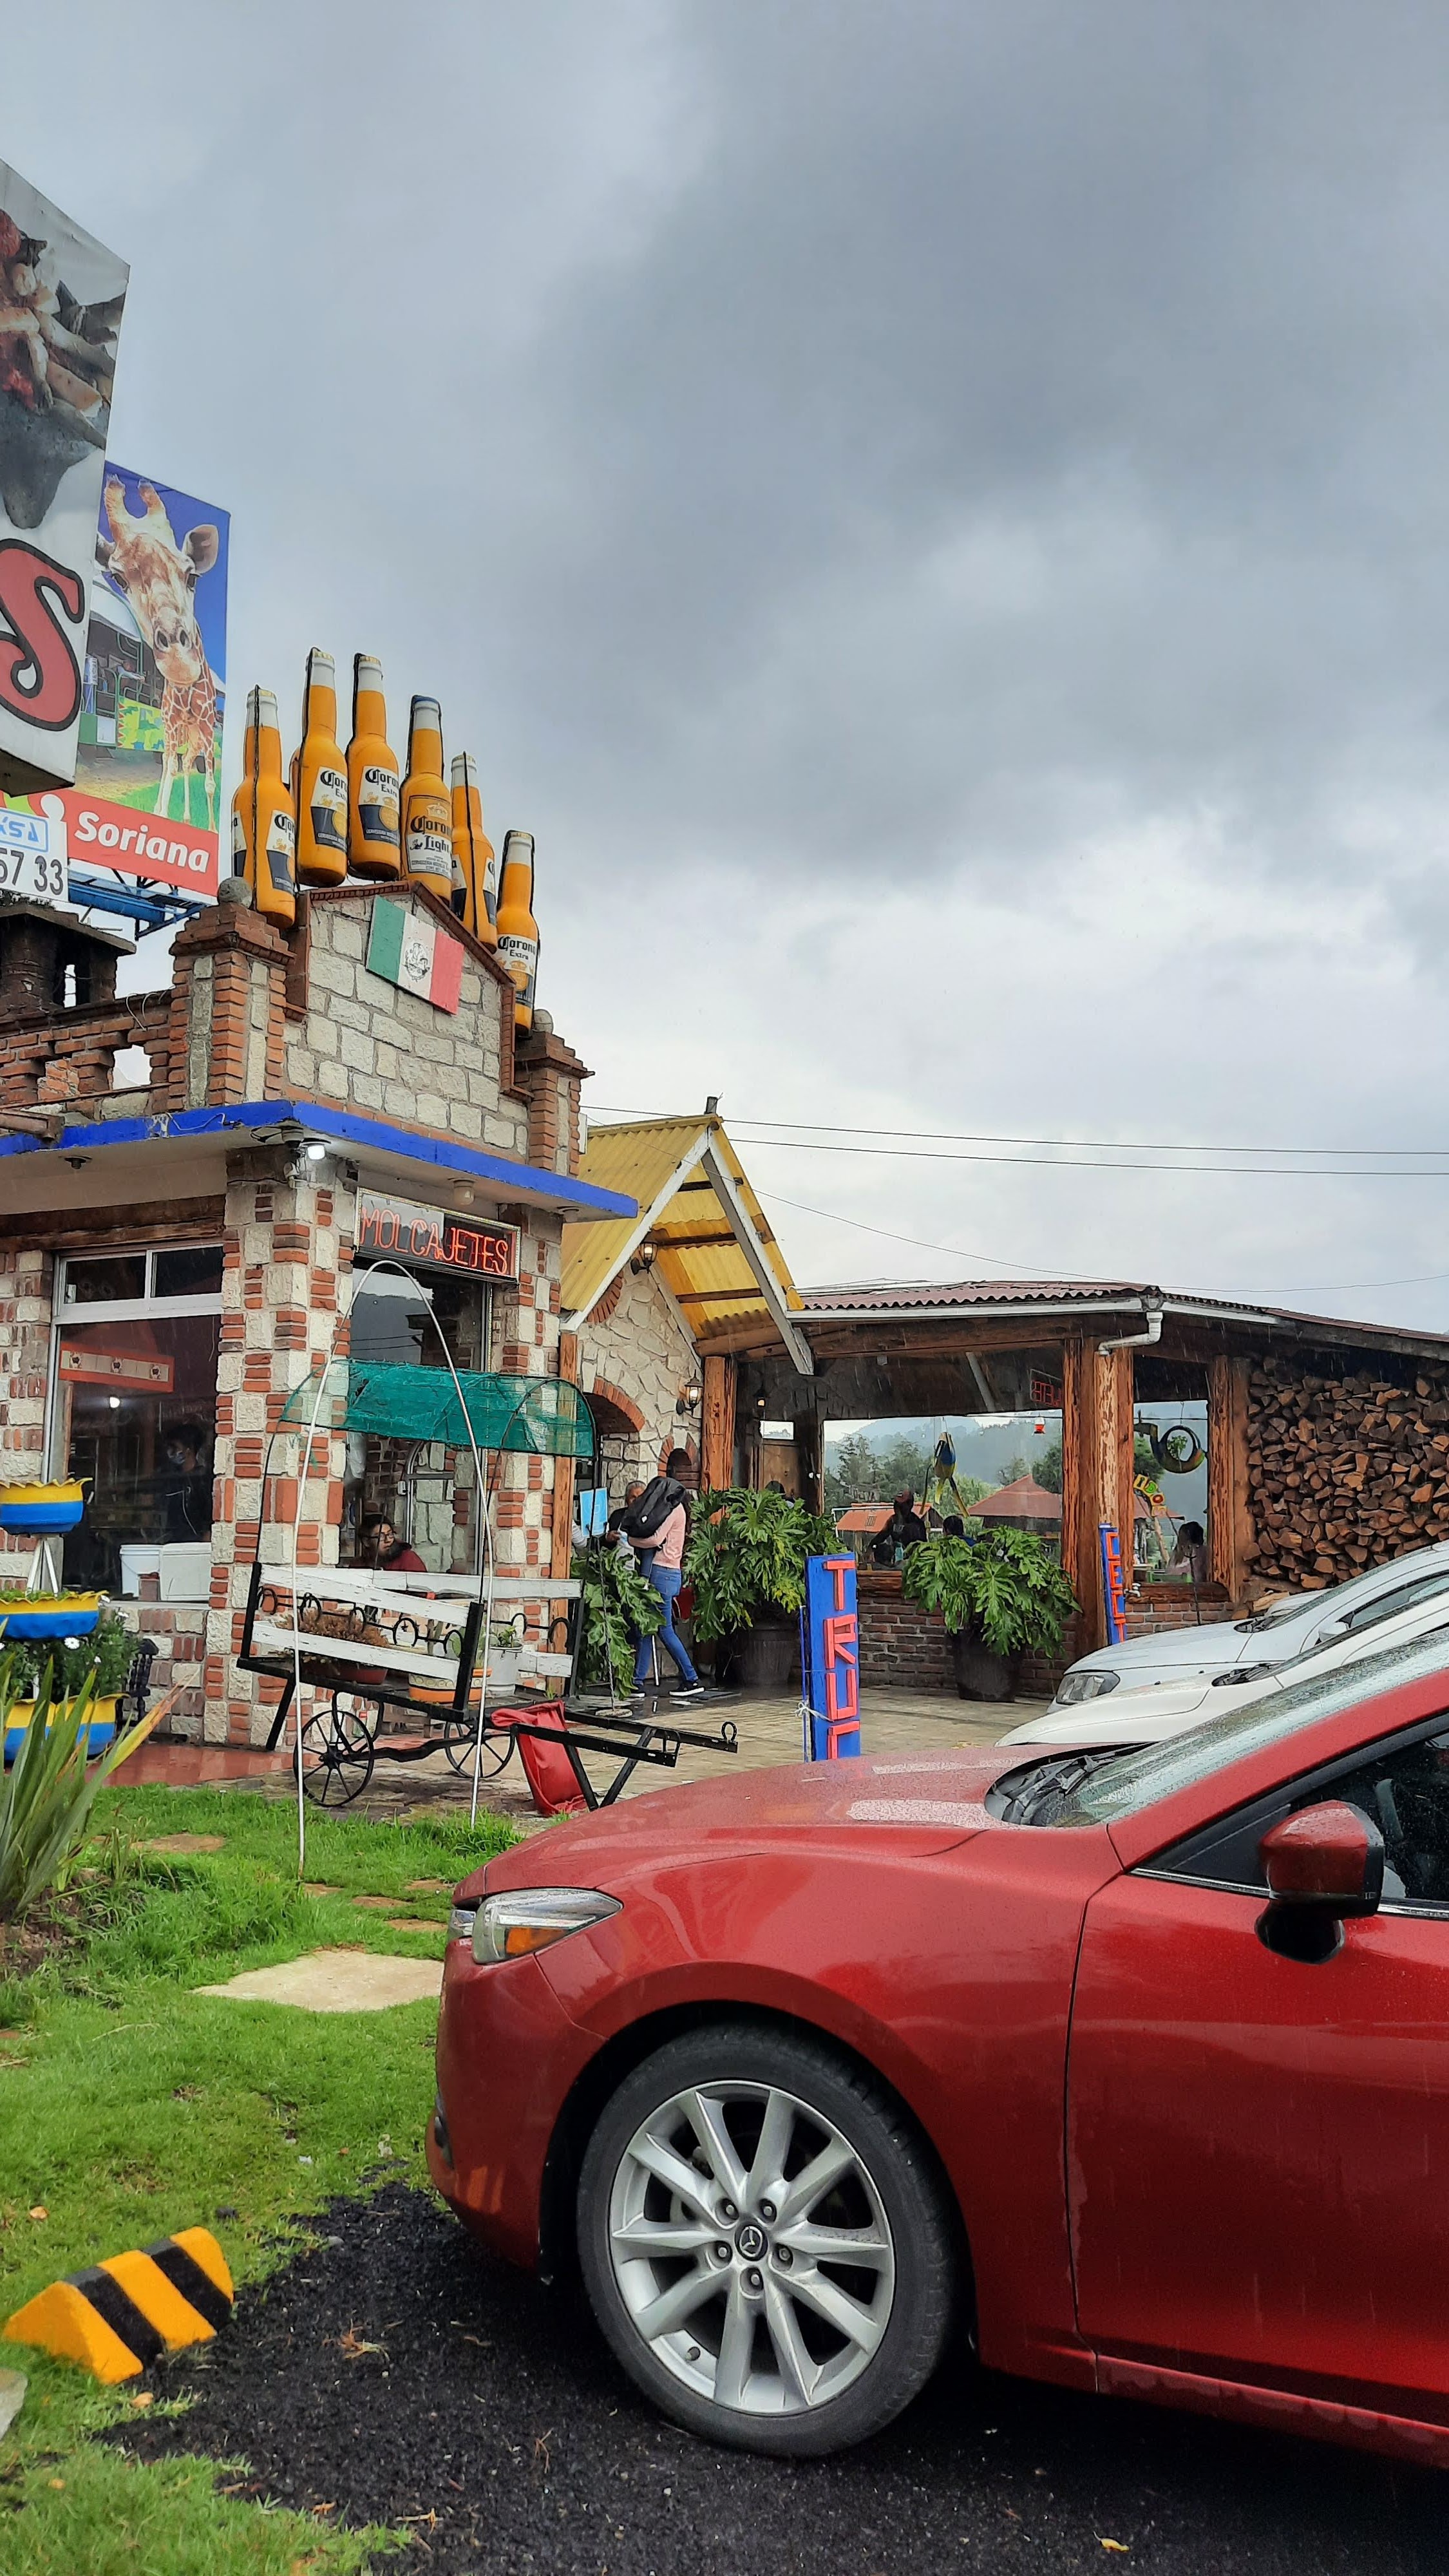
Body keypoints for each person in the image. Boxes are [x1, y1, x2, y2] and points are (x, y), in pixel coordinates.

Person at [629, 1448, 702, 1700]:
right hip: (671, 1574)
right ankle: (638, 1682)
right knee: (653, 1628)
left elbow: (656, 1539)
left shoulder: (674, 1512)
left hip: (661, 1573)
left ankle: (690, 1678)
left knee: (662, 1629)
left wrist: (633, 1540)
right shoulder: (680, 1512)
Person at [162, 1424, 213, 1540]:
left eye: (174, 1447)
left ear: (188, 1450)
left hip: (194, 1545)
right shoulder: (171, 1478)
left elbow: (208, 1516)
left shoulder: (202, 1480)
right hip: (171, 1543)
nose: (170, 1452)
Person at [871, 1488, 927, 1566]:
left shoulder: (917, 1525)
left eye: (901, 1505)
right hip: (896, 1564)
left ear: (910, 1505)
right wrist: (871, 1548)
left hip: (913, 1564)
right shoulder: (893, 1521)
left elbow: (923, 1548)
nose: (897, 1507)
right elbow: (880, 1538)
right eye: (896, 1504)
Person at [359, 1513, 426, 1573]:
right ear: (366, 1542)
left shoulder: (408, 1559)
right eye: (381, 1536)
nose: (388, 1540)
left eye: (390, 1534)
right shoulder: (359, 1565)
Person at [1169, 1520, 1208, 1586]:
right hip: (1195, 1590)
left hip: (1173, 1589)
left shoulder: (1177, 1553)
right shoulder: (1202, 1551)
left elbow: (1169, 1571)